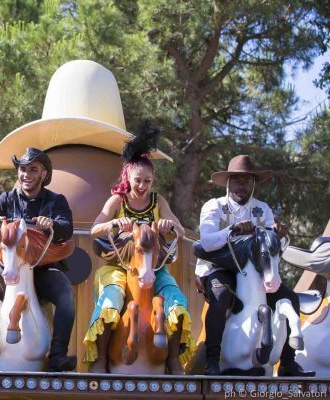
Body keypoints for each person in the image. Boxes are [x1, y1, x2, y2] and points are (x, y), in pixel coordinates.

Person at [83, 122, 193, 374]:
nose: (142, 186)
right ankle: (99, 357)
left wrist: (168, 225)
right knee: (111, 300)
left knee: (176, 300)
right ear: (127, 178)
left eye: (147, 181)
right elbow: (93, 230)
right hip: (118, 267)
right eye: (138, 180)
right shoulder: (117, 200)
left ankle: (174, 358)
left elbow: (181, 231)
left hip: (154, 265)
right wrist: (112, 222)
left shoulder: (159, 201)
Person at [196, 155, 314, 376]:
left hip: (256, 273)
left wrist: (281, 236)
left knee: (291, 298)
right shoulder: (214, 206)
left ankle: (288, 362)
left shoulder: (263, 209)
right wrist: (233, 229)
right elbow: (207, 241)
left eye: (247, 180)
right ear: (228, 182)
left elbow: (273, 245)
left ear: (253, 184)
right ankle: (211, 360)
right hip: (221, 268)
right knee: (220, 297)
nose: (242, 185)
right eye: (238, 180)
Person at [0, 147, 76, 372]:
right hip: (8, 267)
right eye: (23, 169)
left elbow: (66, 229)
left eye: (32, 170)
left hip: (43, 269)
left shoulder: (56, 201)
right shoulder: (6, 198)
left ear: (44, 174)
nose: (26, 174)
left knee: (66, 295)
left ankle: (57, 356)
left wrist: (52, 224)